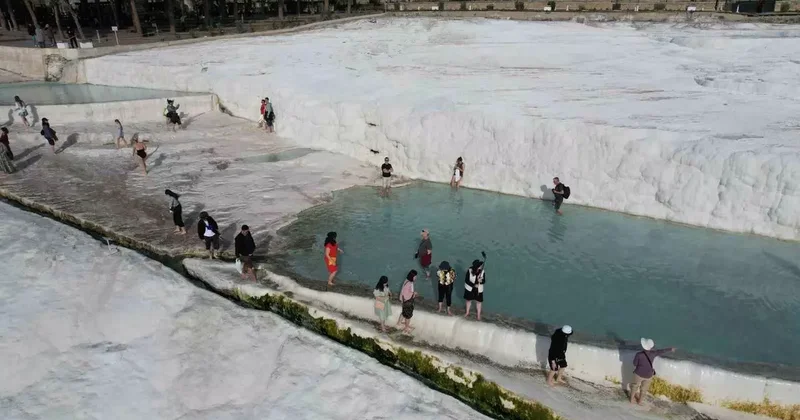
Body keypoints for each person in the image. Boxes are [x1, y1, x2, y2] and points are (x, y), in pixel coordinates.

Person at [630, 338, 676, 405]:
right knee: (644, 389)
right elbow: (661, 351)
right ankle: (640, 401)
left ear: (643, 346)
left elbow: (634, 364)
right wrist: (670, 349)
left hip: (638, 374)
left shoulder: (639, 354)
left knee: (635, 386)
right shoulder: (653, 353)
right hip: (648, 375)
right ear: (651, 347)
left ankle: (631, 399)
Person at [397, 270, 418, 334]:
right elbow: (408, 294)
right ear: (412, 277)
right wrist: (414, 293)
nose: (416, 278)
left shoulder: (406, 280)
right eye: (415, 277)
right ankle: (406, 327)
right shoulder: (410, 284)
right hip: (407, 301)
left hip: (403, 300)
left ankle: (399, 323)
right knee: (408, 315)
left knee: (404, 312)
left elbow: (404, 291)